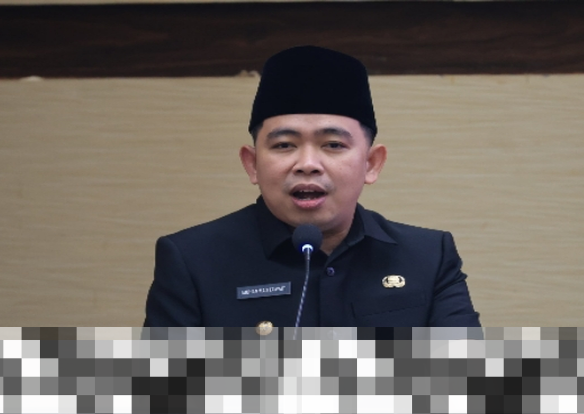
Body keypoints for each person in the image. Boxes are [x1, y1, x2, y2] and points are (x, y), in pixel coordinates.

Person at [143, 46, 480, 328]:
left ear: (371, 163)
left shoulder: (428, 256)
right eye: (284, 145)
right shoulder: (192, 260)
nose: (307, 164)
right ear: (252, 164)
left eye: (333, 145)